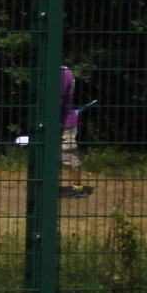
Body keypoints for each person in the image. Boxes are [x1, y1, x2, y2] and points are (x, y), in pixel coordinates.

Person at [60, 66, 92, 198]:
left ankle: (77, 187)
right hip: (58, 121)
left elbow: (60, 99)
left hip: (64, 121)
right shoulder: (60, 72)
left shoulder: (63, 73)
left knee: (69, 154)